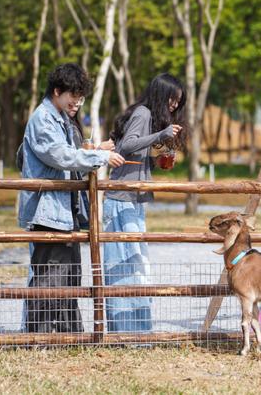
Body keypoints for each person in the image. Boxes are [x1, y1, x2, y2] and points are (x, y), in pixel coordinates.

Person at [18, 63, 124, 333]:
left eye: (81, 96)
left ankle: (68, 335)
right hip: (48, 212)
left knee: (70, 275)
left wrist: (94, 149)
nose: (77, 102)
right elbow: (60, 155)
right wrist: (99, 157)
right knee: (49, 277)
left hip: (64, 212)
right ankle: (39, 338)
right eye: (73, 95)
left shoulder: (60, 118)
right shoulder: (43, 119)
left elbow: (70, 151)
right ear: (57, 91)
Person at [103, 73, 187, 332]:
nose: (173, 106)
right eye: (171, 100)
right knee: (124, 265)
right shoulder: (143, 114)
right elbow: (125, 146)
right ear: (161, 96)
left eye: (177, 102)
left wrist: (154, 162)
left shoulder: (145, 117)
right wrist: (161, 134)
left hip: (132, 199)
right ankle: (126, 329)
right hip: (121, 198)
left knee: (136, 264)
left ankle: (137, 328)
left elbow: (132, 156)